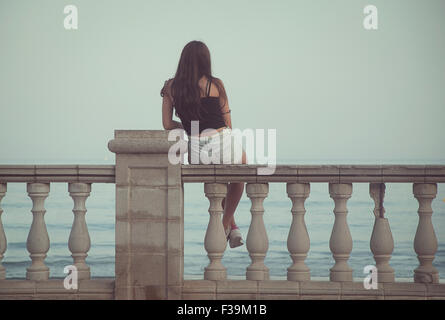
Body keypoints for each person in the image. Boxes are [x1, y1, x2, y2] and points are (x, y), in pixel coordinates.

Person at [160, 40, 246, 248]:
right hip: (221, 140)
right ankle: (226, 224)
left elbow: (166, 124)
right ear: (206, 61)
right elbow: (227, 124)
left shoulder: (171, 87)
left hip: (197, 150)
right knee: (241, 169)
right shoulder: (216, 85)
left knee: (219, 182)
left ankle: (233, 228)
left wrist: (185, 126)